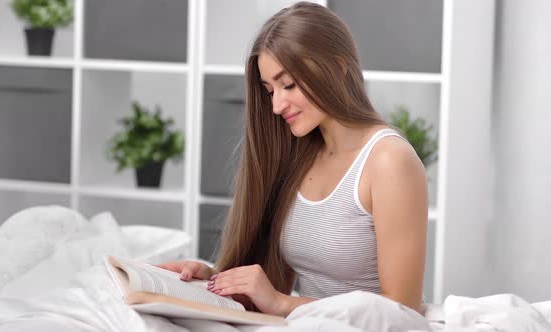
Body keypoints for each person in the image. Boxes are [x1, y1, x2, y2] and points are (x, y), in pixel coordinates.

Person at [159, 1, 427, 317]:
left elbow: (402, 310)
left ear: (338, 69)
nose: (276, 105)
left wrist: (282, 303)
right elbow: (274, 286)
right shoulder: (299, 153)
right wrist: (214, 282)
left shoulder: (389, 162)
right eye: (270, 90)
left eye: (288, 84)